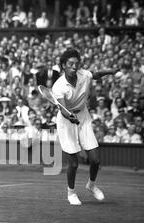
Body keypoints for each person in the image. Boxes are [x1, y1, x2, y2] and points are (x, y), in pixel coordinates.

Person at [52, 49, 118, 206]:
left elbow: (95, 74)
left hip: (83, 116)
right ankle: (71, 192)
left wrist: (109, 71)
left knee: (95, 160)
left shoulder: (84, 74)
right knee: (74, 163)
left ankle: (92, 185)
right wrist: (70, 117)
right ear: (63, 66)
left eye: (76, 64)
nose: (74, 67)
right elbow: (63, 109)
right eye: (70, 64)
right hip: (66, 121)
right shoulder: (58, 86)